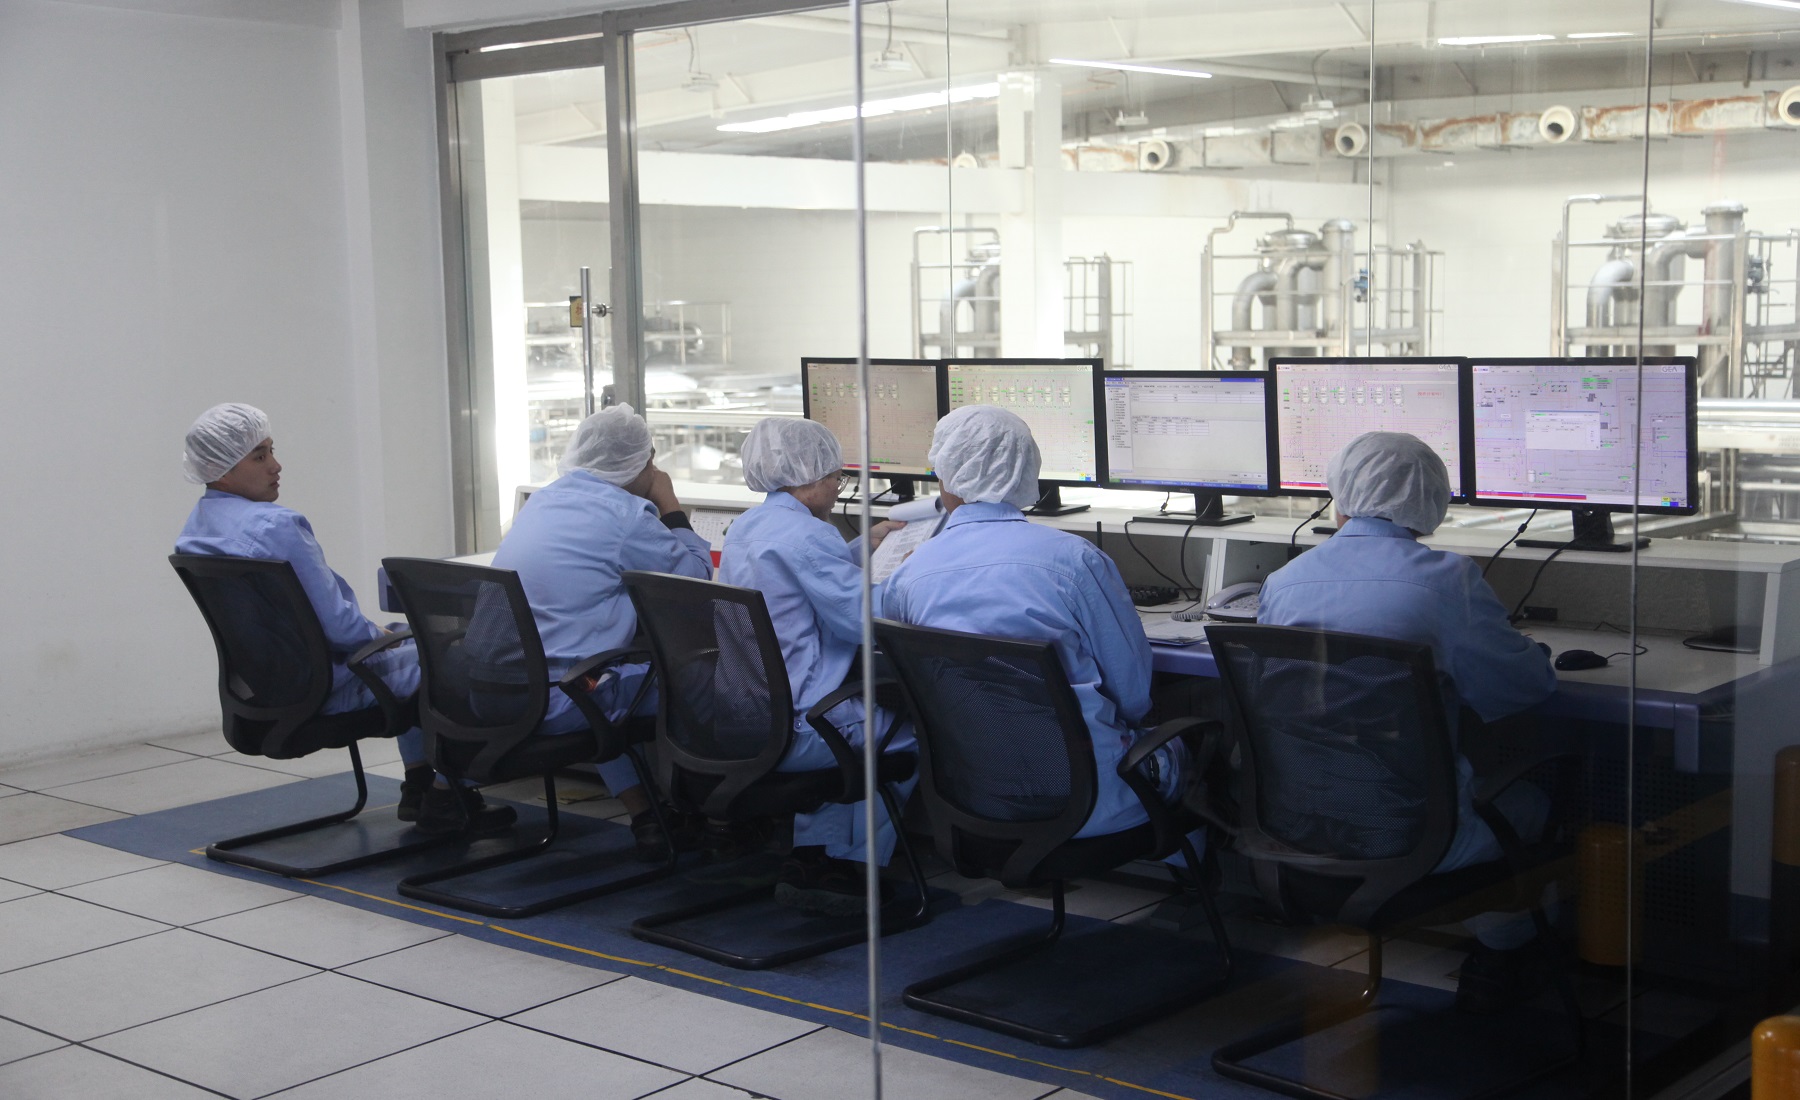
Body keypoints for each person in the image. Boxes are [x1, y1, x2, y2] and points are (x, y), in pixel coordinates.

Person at [1256, 430, 1558, 1013]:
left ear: (1341, 495)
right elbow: (1523, 688)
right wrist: (1535, 653)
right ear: (1430, 501)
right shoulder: (1447, 581)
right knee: (1531, 806)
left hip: (1301, 826)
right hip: (1414, 838)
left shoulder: (1285, 582)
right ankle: (1505, 958)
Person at [174, 403, 514, 835]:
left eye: (272, 451)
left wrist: (385, 636)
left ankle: (418, 784)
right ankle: (448, 797)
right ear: (221, 470)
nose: (276, 465)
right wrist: (380, 635)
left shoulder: (197, 528)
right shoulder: (276, 526)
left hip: (270, 688)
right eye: (259, 456)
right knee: (450, 657)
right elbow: (341, 628)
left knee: (406, 640)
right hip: (327, 688)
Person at [879, 405, 1193, 842]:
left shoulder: (909, 574)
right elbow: (1132, 694)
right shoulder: (1075, 560)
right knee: (1196, 747)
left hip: (976, 796)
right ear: (1027, 471)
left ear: (946, 477)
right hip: (1090, 800)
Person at [488, 404, 712, 861]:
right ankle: (713, 816)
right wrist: (671, 507)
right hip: (560, 698)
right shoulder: (627, 515)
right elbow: (694, 581)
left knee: (603, 674)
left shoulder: (544, 501)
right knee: (698, 679)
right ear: (641, 462)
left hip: (491, 691)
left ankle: (649, 815)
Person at [717, 417, 913, 915]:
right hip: (798, 726)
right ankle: (849, 867)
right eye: (836, 478)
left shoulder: (749, 526)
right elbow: (865, 621)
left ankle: (813, 856)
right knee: (911, 728)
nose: (836, 487)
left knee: (851, 715)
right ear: (810, 478)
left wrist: (862, 548)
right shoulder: (808, 535)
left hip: (743, 717)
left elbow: (802, 573)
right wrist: (917, 575)